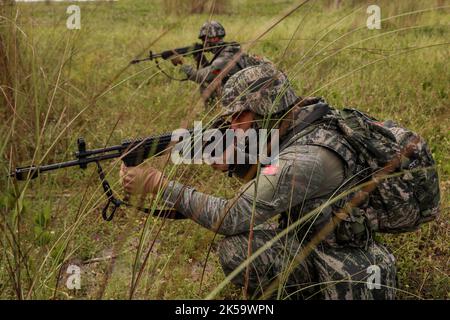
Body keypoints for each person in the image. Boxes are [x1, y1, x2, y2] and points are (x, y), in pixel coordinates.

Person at [120, 64, 397, 299]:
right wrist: (237, 164)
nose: (232, 124)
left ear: (265, 108)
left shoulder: (304, 159)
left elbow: (229, 217)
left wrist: (160, 185)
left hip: (348, 273)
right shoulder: (307, 121)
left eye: (240, 115)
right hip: (318, 240)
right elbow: (277, 167)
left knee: (238, 250)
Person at [170, 21, 268, 106]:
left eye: (206, 39)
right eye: (203, 40)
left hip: (245, 97)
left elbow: (202, 77)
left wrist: (182, 64)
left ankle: (212, 115)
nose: (204, 42)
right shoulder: (229, 50)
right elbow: (212, 71)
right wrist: (199, 56)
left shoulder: (225, 58)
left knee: (207, 84)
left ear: (215, 38)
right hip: (245, 91)